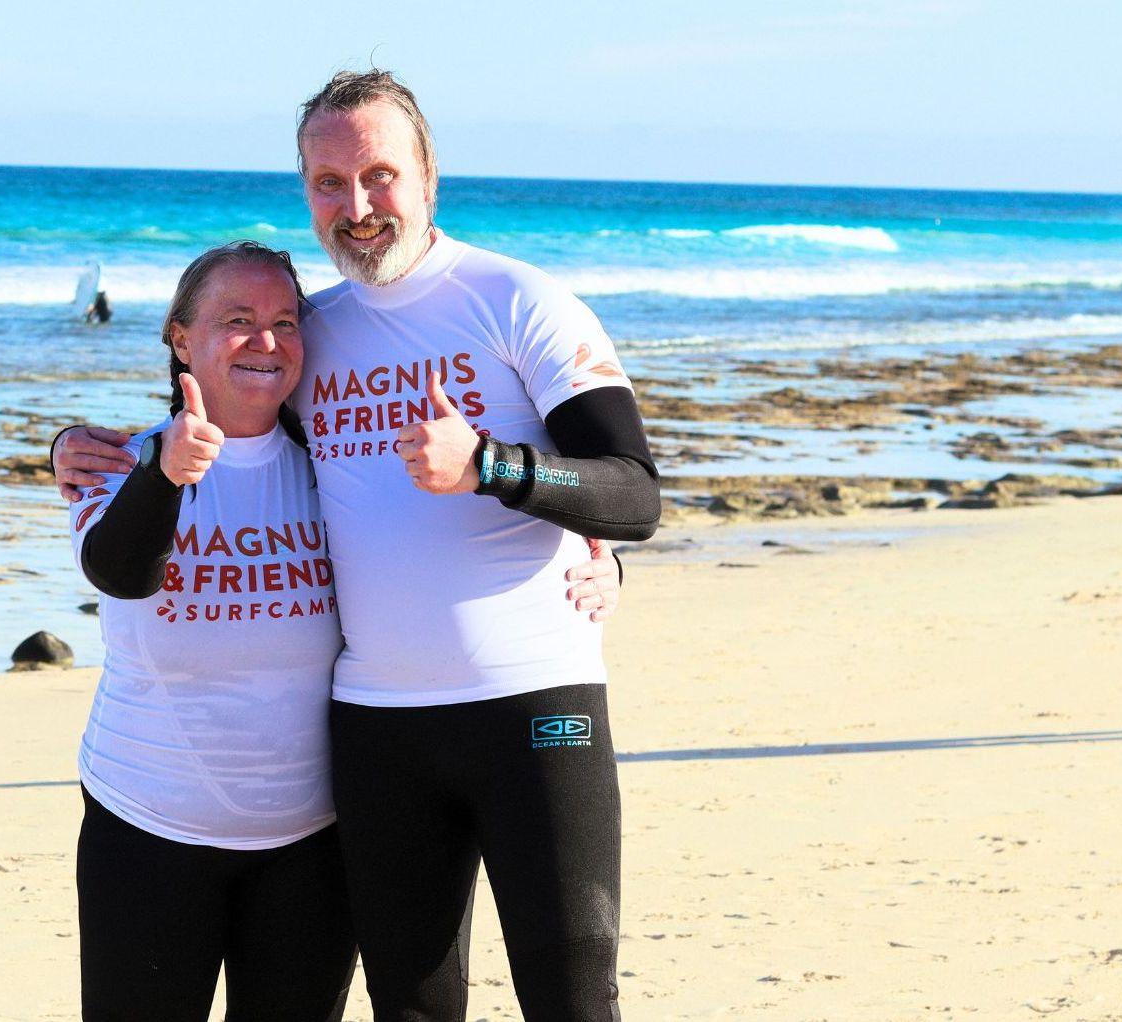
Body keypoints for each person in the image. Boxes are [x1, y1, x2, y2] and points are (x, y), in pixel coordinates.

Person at [57, 71, 659, 1022]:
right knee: (409, 1010)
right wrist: (83, 448)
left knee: (575, 997)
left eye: (379, 175)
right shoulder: (313, 331)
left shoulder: (518, 301)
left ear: (427, 176)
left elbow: (633, 488)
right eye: (329, 182)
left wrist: (499, 471)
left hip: (534, 700)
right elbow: (218, 407)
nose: (358, 205)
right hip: (377, 727)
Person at [70, 242, 354, 1022]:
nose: (266, 342)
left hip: (312, 844)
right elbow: (119, 569)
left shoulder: (341, 472)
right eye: (237, 320)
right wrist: (167, 471)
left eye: (285, 322)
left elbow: (440, 553)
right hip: (148, 829)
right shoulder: (111, 464)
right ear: (179, 336)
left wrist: (597, 557)